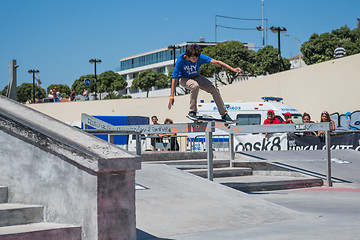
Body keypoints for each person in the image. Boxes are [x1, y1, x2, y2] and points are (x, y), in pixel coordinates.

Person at [168, 44, 242, 122]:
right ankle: (192, 111)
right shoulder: (180, 60)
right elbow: (174, 77)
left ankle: (224, 114)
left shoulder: (199, 57)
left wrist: (232, 69)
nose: (196, 59)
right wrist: (172, 96)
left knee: (214, 90)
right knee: (194, 86)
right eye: (194, 58)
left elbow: (217, 62)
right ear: (188, 55)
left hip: (196, 77)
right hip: (183, 79)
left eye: (197, 57)